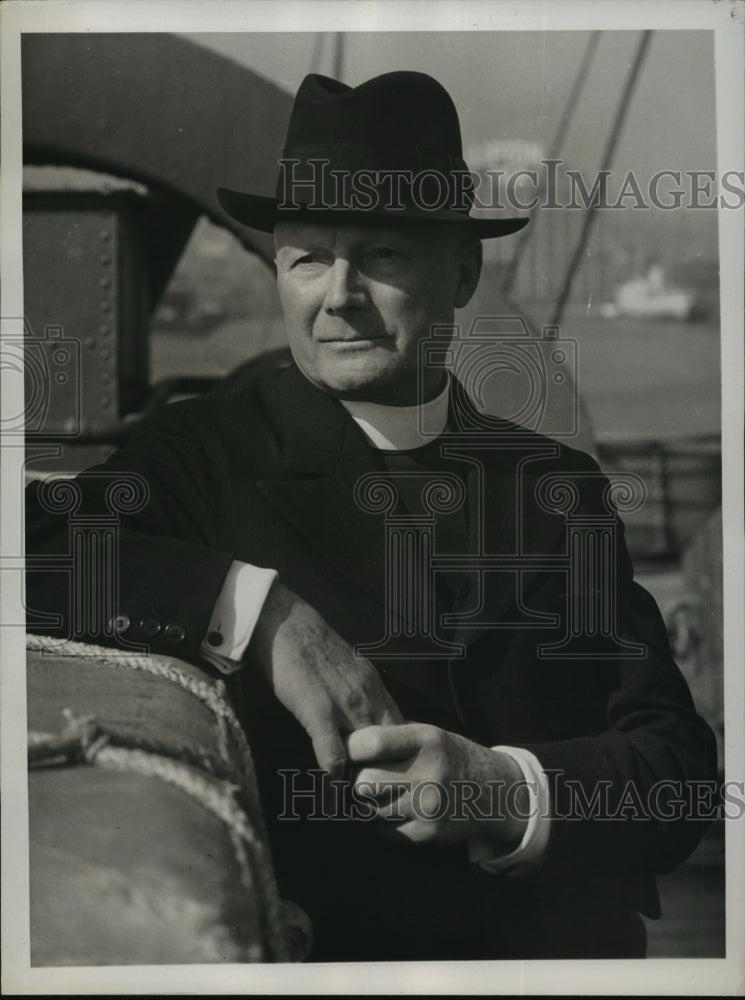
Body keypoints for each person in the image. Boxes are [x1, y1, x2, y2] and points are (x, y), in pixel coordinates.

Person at [26, 70, 717, 961]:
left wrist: (502, 791)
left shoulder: (556, 489)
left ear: (463, 271)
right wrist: (256, 612)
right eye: (308, 256)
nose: (337, 294)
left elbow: (673, 772)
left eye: (381, 255)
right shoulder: (203, 455)